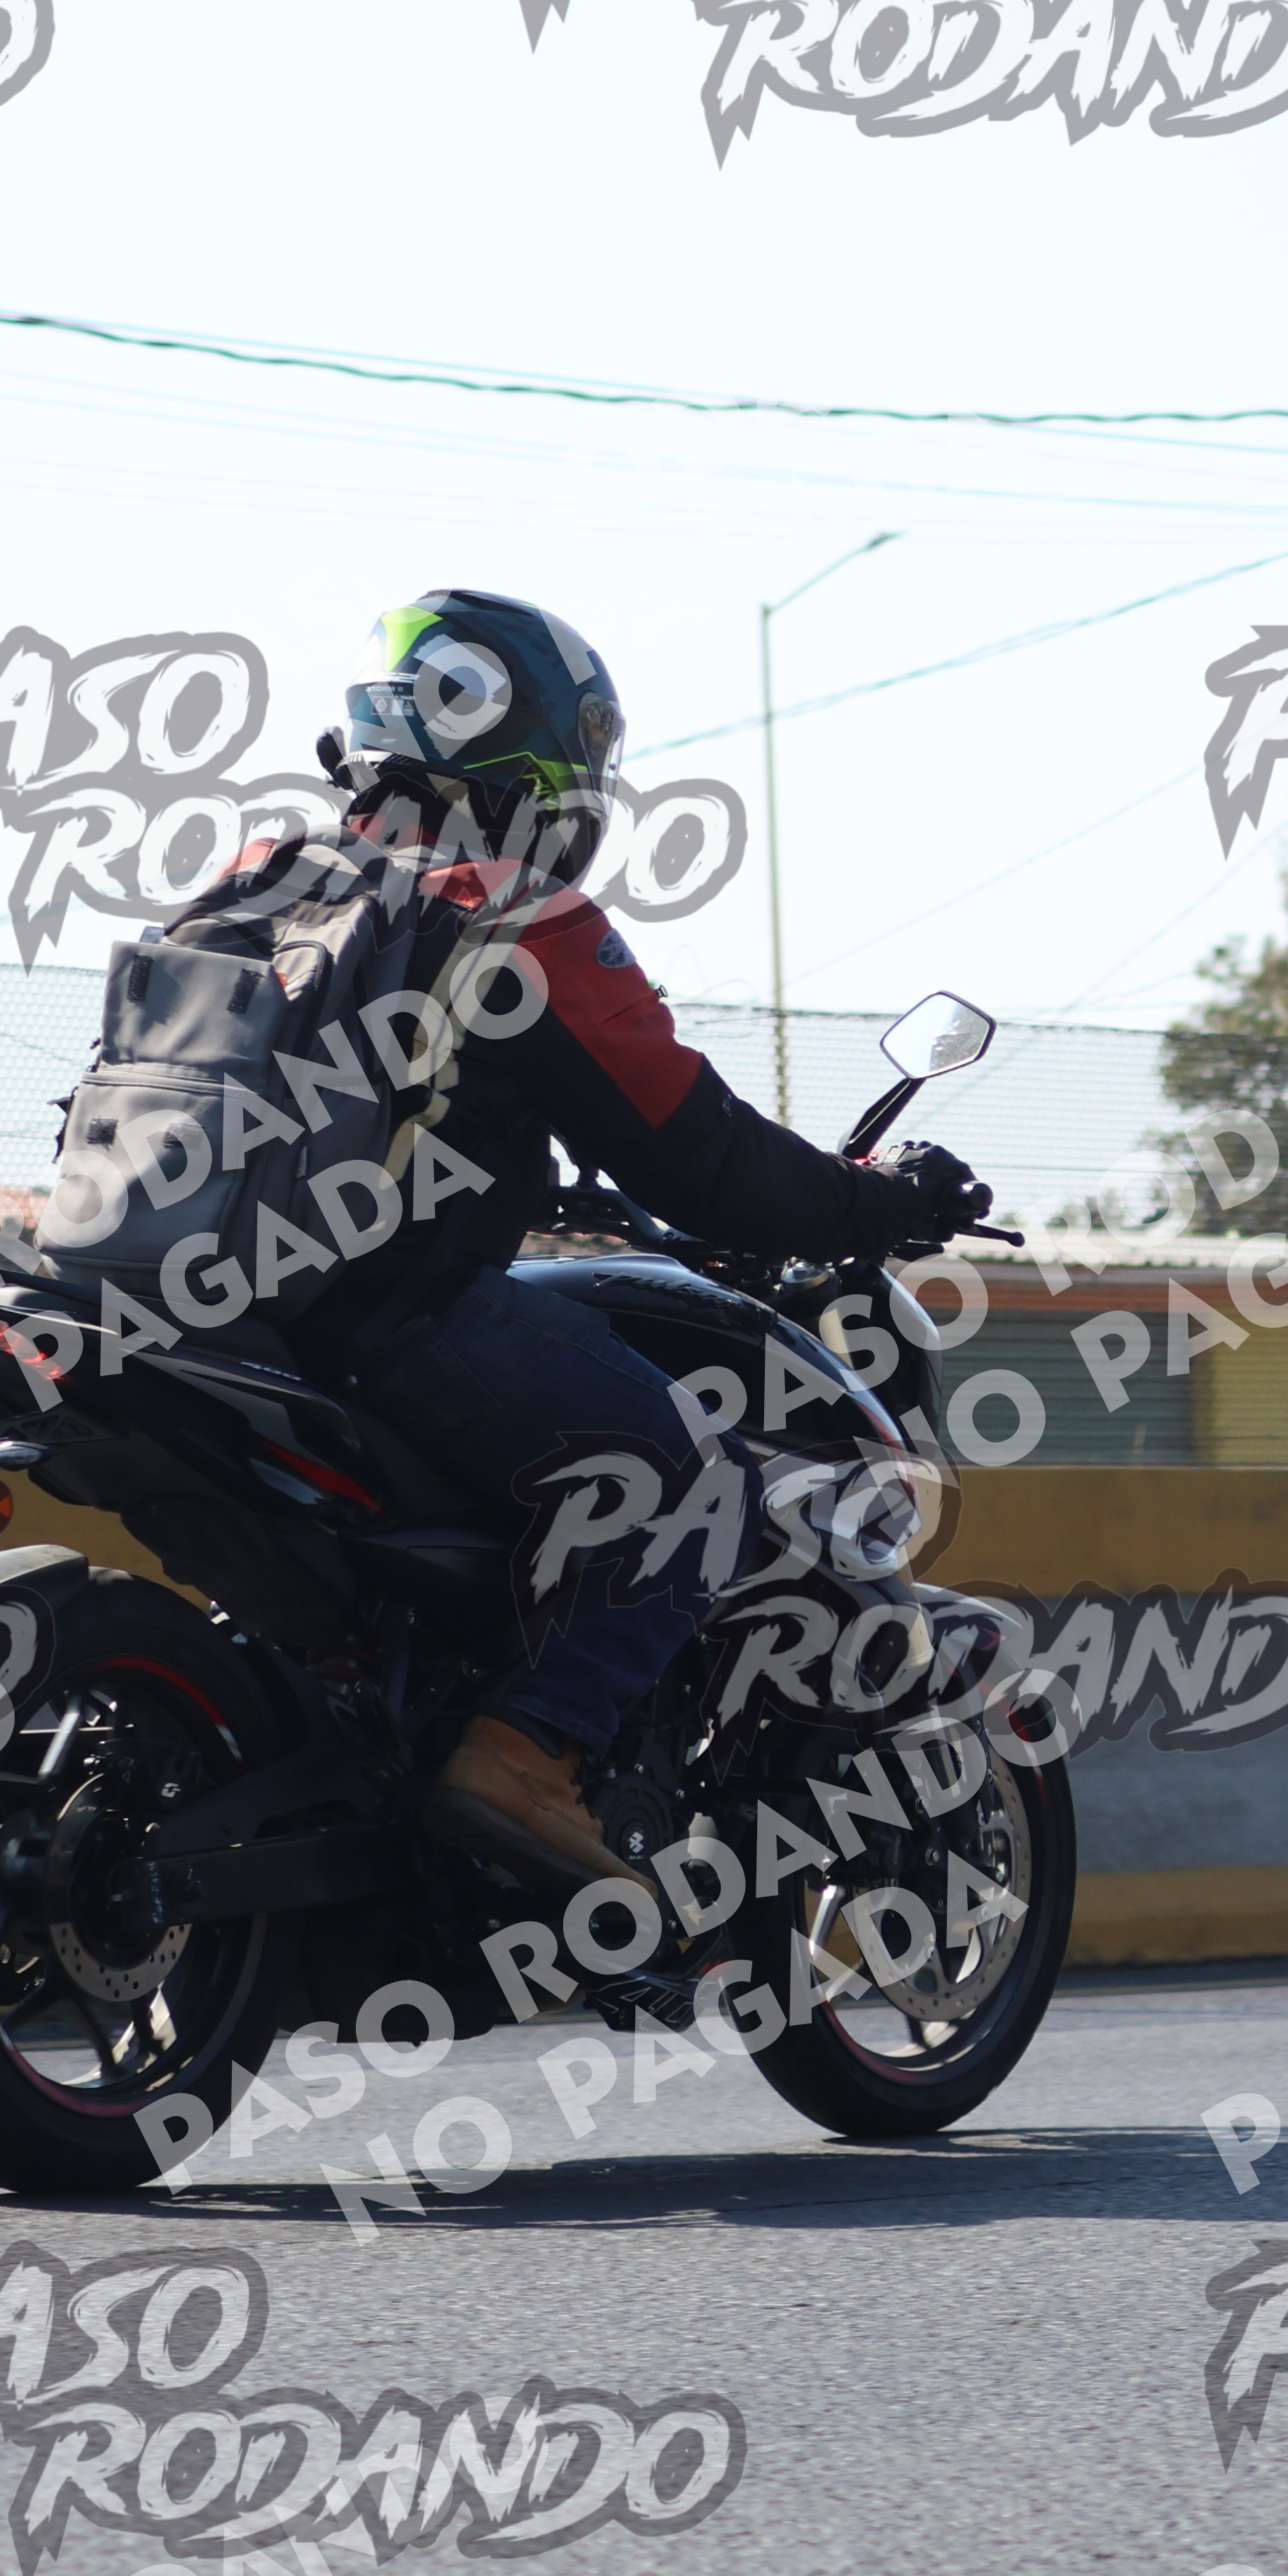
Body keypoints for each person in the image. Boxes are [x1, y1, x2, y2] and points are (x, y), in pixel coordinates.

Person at [286, 589, 985, 1888]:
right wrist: (876, 1203)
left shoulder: (253, 890)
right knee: (694, 1478)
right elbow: (700, 1156)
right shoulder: (512, 915)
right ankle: (527, 1750)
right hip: (383, 1318)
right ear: (533, 762)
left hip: (184, 1313)